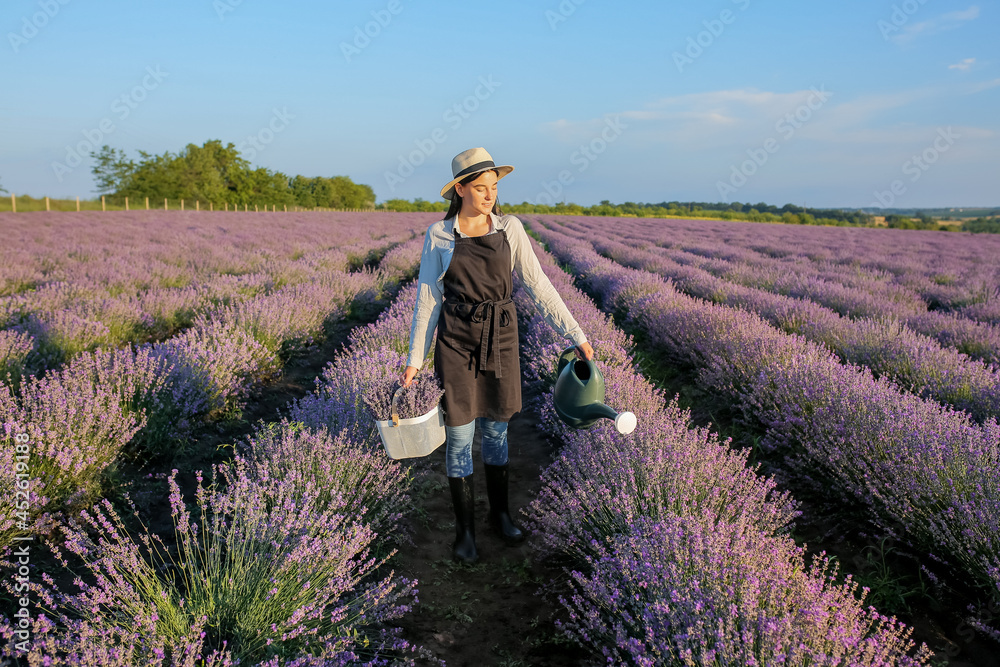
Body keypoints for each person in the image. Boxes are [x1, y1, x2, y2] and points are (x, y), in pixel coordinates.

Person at [402, 147, 594, 564]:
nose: (490, 195)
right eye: (481, 187)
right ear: (460, 189)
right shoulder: (439, 234)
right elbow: (427, 300)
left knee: (496, 430)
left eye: (494, 187)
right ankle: (465, 530)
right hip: (456, 340)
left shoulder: (511, 229)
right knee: (459, 435)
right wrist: (414, 359)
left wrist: (575, 332)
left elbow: (538, 284)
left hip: (502, 336)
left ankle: (501, 516)